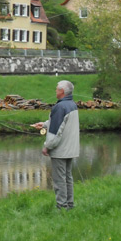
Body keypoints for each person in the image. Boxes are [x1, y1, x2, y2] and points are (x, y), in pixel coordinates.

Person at [32, 80, 80, 210]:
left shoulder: (60, 107)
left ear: (62, 91)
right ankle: (69, 205)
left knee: (59, 180)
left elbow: (55, 132)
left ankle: (62, 207)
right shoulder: (72, 104)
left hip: (60, 150)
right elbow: (61, 123)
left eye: (57, 89)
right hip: (70, 149)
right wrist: (44, 124)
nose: (55, 90)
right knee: (67, 178)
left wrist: (47, 146)